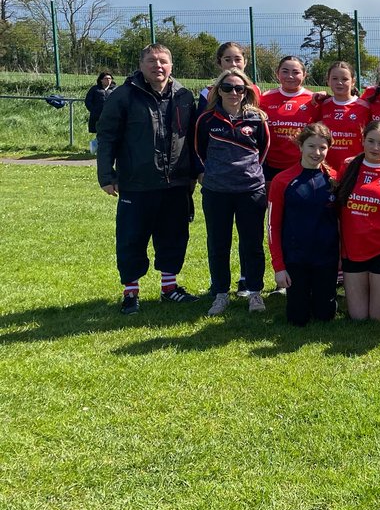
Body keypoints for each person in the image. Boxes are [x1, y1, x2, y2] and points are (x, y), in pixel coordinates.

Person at [96, 44, 200, 314]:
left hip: (176, 183)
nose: (158, 66)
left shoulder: (184, 96)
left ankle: (169, 288)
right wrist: (107, 175)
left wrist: (193, 174)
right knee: (132, 238)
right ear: (141, 65)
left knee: (174, 236)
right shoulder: (123, 96)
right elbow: (107, 137)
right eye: (152, 61)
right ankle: (131, 293)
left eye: (163, 61)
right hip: (136, 183)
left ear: (172, 65)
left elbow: (193, 139)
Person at [194, 68, 271, 315]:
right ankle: (220, 294)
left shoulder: (258, 119)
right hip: (217, 192)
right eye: (227, 88)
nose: (234, 93)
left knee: (252, 243)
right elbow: (198, 150)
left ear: (246, 91)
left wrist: (250, 174)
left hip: (250, 191)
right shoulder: (206, 120)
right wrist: (208, 174)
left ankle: (255, 292)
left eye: (239, 88)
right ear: (219, 91)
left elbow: (264, 150)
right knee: (218, 243)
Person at [267, 123, 340, 326]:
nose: (316, 152)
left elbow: (342, 221)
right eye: (311, 146)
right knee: (297, 318)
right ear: (300, 146)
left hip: (326, 259)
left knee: (325, 315)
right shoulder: (282, 180)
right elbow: (273, 226)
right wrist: (279, 267)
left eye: (322, 148)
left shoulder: (334, 179)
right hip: (296, 259)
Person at [335, 121, 380, 321]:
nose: (376, 148)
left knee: (379, 317)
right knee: (357, 316)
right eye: (371, 141)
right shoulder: (348, 167)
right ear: (362, 141)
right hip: (352, 250)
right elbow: (338, 211)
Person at [259, 56, 318, 181]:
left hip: (302, 165)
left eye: (296, 72)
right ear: (277, 73)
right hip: (270, 166)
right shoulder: (265, 97)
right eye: (285, 71)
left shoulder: (313, 100)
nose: (290, 76)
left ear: (304, 74)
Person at [317, 61, 369, 172]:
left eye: (345, 79)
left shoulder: (365, 107)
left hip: (354, 169)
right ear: (328, 81)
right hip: (325, 169)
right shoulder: (322, 105)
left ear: (353, 82)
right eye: (335, 78)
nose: (339, 82)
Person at [84, 71, 115, 153]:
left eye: (110, 78)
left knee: (110, 132)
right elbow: (88, 101)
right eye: (106, 78)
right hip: (97, 116)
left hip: (111, 116)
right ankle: (97, 147)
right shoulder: (94, 89)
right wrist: (93, 110)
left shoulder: (115, 90)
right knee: (100, 132)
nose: (108, 80)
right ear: (101, 80)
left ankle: (106, 148)